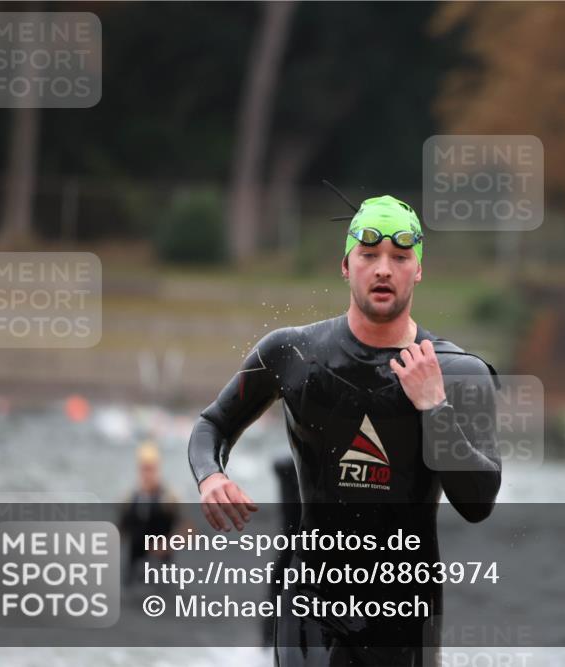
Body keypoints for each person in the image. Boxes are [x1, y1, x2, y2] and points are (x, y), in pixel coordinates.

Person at [187, 194, 502, 665]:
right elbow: (213, 424)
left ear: (418, 270)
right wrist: (210, 475)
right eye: (369, 256)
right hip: (310, 600)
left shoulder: (459, 374)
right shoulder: (293, 354)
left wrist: (434, 406)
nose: (383, 269)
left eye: (399, 258)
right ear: (345, 265)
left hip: (405, 613)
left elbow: (479, 502)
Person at [119, 441, 181, 584]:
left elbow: (190, 529)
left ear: (158, 469)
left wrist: (169, 544)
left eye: (151, 469)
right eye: (144, 469)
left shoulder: (169, 498)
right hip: (133, 569)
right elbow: (121, 530)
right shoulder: (129, 498)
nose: (147, 474)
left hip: (160, 570)